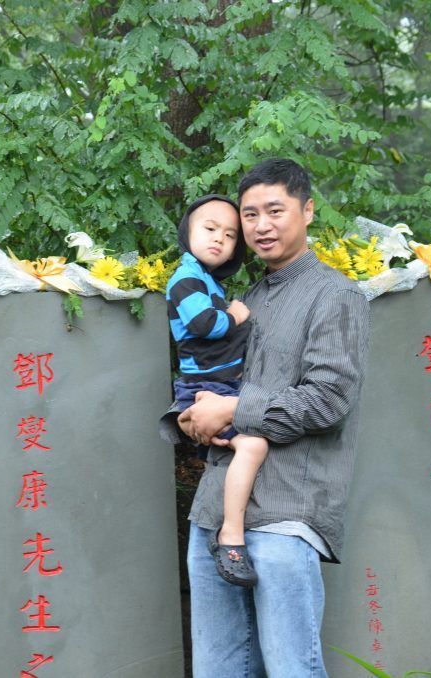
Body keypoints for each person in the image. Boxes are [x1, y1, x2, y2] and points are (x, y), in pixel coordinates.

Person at [177, 159, 369, 676]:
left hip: (287, 515)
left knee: (291, 668)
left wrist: (235, 409)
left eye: (275, 211)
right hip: (213, 517)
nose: (261, 226)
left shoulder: (337, 295)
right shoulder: (240, 300)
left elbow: (328, 399)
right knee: (218, 668)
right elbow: (207, 380)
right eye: (250, 215)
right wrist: (189, 418)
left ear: (307, 211)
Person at [162, 194, 268, 588]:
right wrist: (236, 315)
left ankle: (229, 527)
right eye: (209, 229)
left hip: (220, 386)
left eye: (229, 235)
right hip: (206, 388)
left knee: (239, 452)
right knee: (253, 446)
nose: (219, 240)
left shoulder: (205, 279)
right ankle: (232, 536)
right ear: (187, 231)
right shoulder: (185, 279)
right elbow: (206, 324)